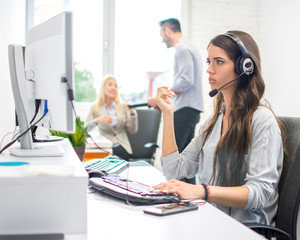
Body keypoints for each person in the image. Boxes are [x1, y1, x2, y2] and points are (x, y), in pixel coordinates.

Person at [152, 30, 284, 225]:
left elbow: (261, 193)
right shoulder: (213, 123)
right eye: (209, 62)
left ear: (244, 67)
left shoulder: (262, 120)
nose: (209, 69)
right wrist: (168, 114)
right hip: (211, 219)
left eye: (219, 62)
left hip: (243, 229)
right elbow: (174, 170)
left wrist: (202, 191)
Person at [148, 18, 204, 184]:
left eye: (161, 34)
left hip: (185, 109)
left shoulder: (181, 48)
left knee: (175, 161)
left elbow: (186, 80)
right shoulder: (189, 46)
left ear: (167, 31)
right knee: (187, 162)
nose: (162, 39)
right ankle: (190, 197)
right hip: (192, 109)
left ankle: (177, 196)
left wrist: (161, 99)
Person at [85, 76, 138, 160]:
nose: (113, 87)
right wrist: (98, 120)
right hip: (106, 148)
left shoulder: (122, 107)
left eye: (115, 86)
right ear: (103, 88)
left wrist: (133, 114)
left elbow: (133, 130)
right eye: (110, 85)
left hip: (122, 147)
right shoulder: (95, 108)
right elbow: (84, 129)